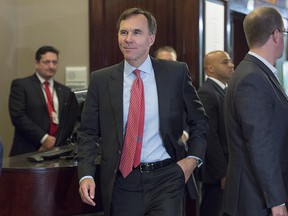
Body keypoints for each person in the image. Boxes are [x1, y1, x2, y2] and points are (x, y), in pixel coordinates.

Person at [77, 7, 208, 216]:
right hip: (122, 183)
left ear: (151, 38)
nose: (128, 39)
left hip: (166, 178)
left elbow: (199, 120)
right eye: (123, 32)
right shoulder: (101, 80)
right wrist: (85, 174)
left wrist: (193, 160)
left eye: (137, 32)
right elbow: (88, 132)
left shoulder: (175, 73)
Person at [223, 7, 288, 216]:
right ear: (276, 35)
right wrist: (277, 201)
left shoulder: (257, 72)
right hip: (255, 200)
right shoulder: (252, 78)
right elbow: (261, 143)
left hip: (258, 195)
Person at [9, 45, 75, 156]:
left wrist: (58, 141)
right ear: (36, 63)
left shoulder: (65, 91)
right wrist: (44, 138)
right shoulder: (21, 85)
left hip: (57, 150)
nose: (51, 66)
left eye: (55, 62)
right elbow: (18, 116)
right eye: (47, 62)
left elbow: (69, 120)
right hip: (28, 150)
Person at [197, 50, 234, 216]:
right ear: (210, 69)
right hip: (216, 172)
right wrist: (223, 173)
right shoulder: (207, 93)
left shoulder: (223, 90)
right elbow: (209, 136)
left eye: (230, 61)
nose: (232, 65)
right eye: (225, 62)